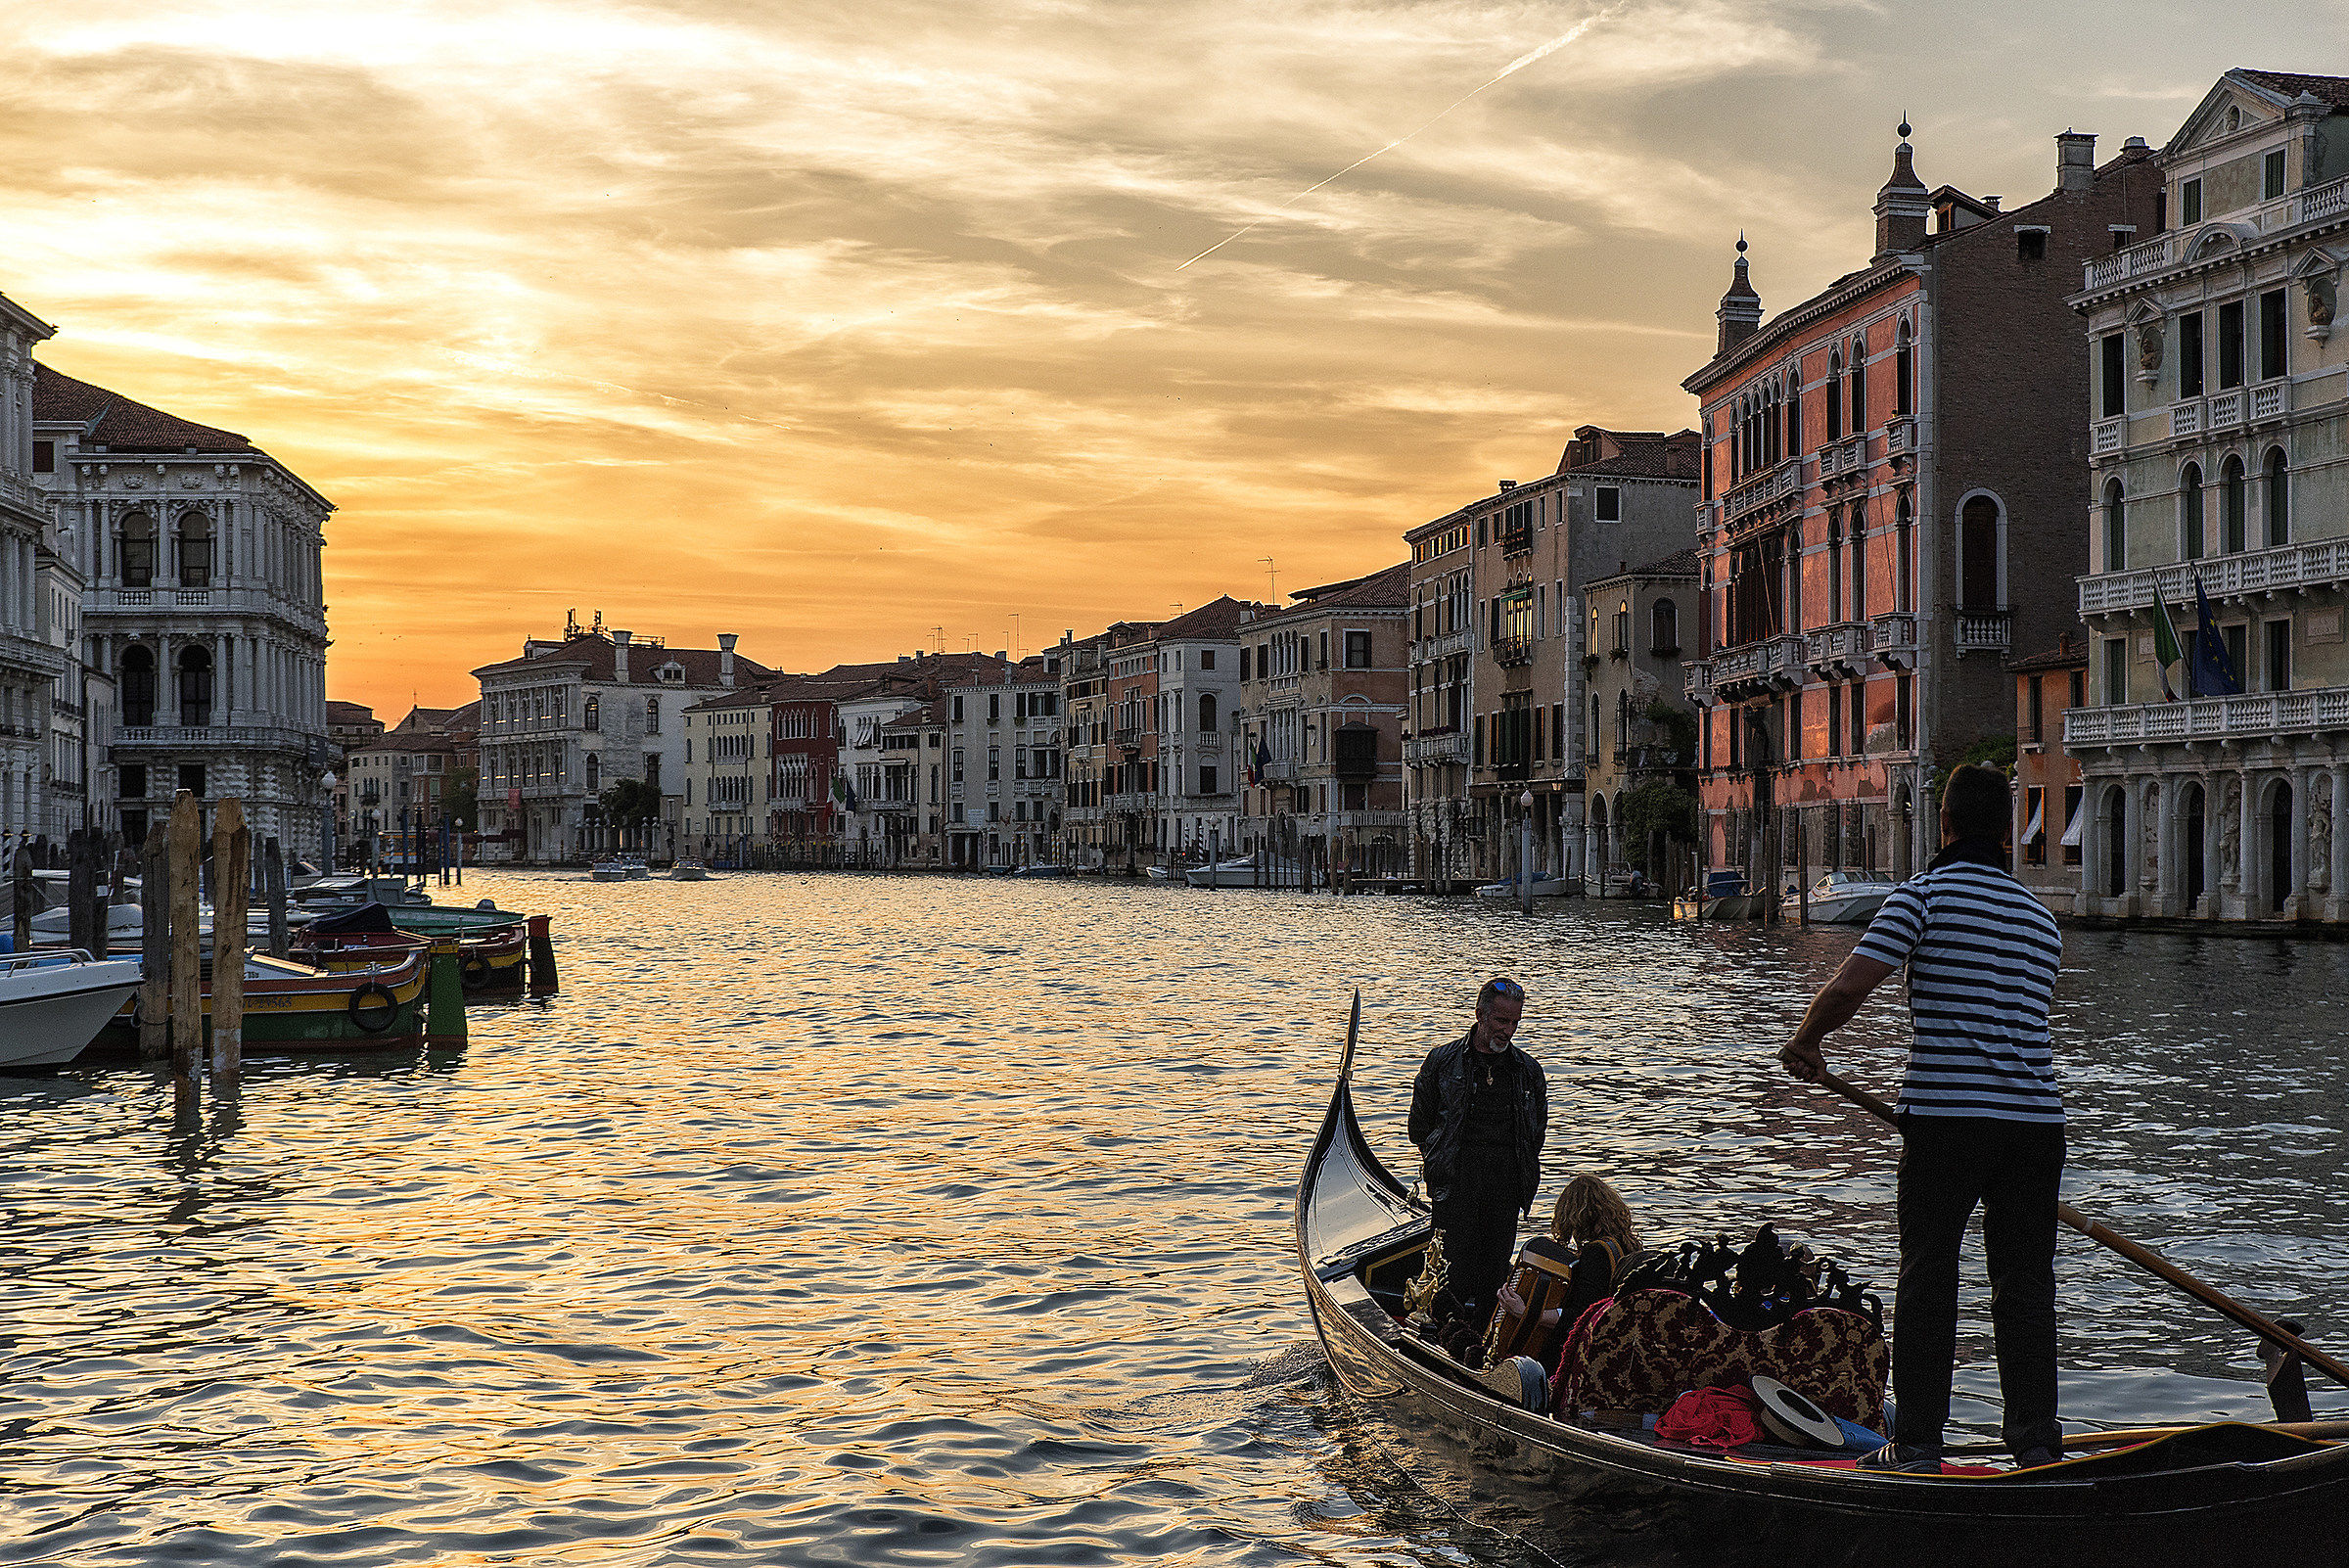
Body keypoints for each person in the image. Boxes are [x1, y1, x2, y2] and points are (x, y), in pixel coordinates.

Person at [1777, 763, 2065, 1473]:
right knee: (2026, 1285)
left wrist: (1807, 1040)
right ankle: (2036, 1443)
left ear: (1943, 825)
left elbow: (1850, 986)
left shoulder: (1921, 897)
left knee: (1930, 1275)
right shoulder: (2041, 920)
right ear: (2007, 833)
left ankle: (1918, 1445)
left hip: (1947, 1118)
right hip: (2035, 1124)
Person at [1408, 977, 1547, 1322]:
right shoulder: (1442, 1062)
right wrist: (1439, 1161)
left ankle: (1484, 1338)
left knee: (1496, 1273)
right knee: (1450, 1271)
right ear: (1480, 1015)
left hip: (1505, 1187)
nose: (1508, 1030)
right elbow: (1419, 1127)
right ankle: (1444, 1333)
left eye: (1515, 1022)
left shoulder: (1528, 1071)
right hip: (1456, 1184)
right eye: (1501, 1021)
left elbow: (1535, 1134)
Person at [1495, 1173, 1639, 1368]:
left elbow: (1581, 1315)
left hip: (1590, 1352)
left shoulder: (1596, 1252)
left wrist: (1525, 1312)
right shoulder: (1628, 1246)